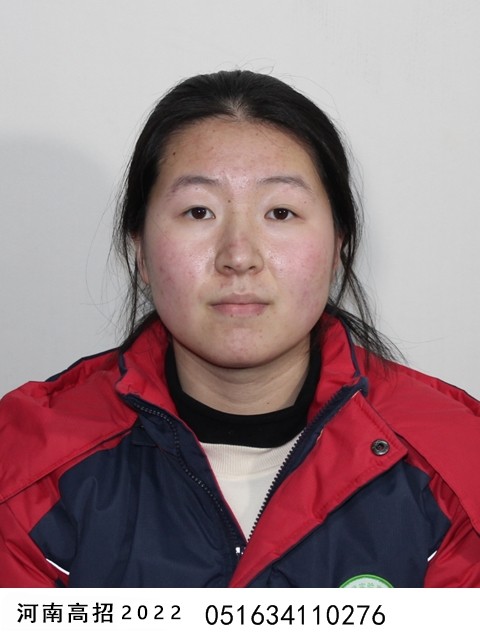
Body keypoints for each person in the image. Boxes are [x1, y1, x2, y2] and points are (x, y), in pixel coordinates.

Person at [1, 70, 479, 588]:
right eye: (198, 211)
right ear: (139, 249)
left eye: (281, 212)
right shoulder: (25, 467)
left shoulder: (456, 460)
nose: (238, 256)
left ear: (337, 246)